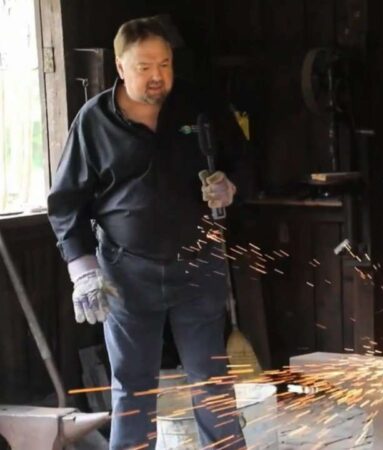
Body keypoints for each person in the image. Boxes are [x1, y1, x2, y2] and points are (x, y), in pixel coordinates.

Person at [47, 16, 249, 450]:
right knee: (134, 389)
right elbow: (65, 203)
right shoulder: (94, 122)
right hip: (126, 273)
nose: (158, 76)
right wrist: (81, 268)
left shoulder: (198, 107)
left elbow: (244, 162)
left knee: (211, 382)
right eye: (144, 67)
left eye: (165, 64)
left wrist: (230, 186)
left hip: (198, 267)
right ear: (120, 67)